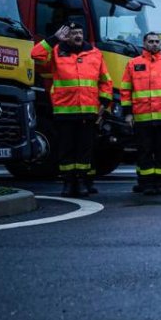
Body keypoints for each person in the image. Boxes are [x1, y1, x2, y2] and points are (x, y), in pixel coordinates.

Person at [30, 22, 112, 197]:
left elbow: (105, 80)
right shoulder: (56, 52)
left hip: (88, 111)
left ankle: (82, 182)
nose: (77, 36)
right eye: (73, 33)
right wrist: (53, 40)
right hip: (65, 111)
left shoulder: (95, 54)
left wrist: (104, 103)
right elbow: (35, 54)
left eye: (80, 32)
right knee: (66, 149)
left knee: (85, 149)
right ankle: (68, 183)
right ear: (66, 36)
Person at [120, 31, 161, 195]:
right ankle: (146, 183)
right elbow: (126, 90)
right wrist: (127, 113)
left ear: (160, 44)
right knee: (144, 151)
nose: (154, 44)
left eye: (157, 41)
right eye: (151, 41)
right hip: (142, 117)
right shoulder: (133, 64)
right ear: (144, 43)